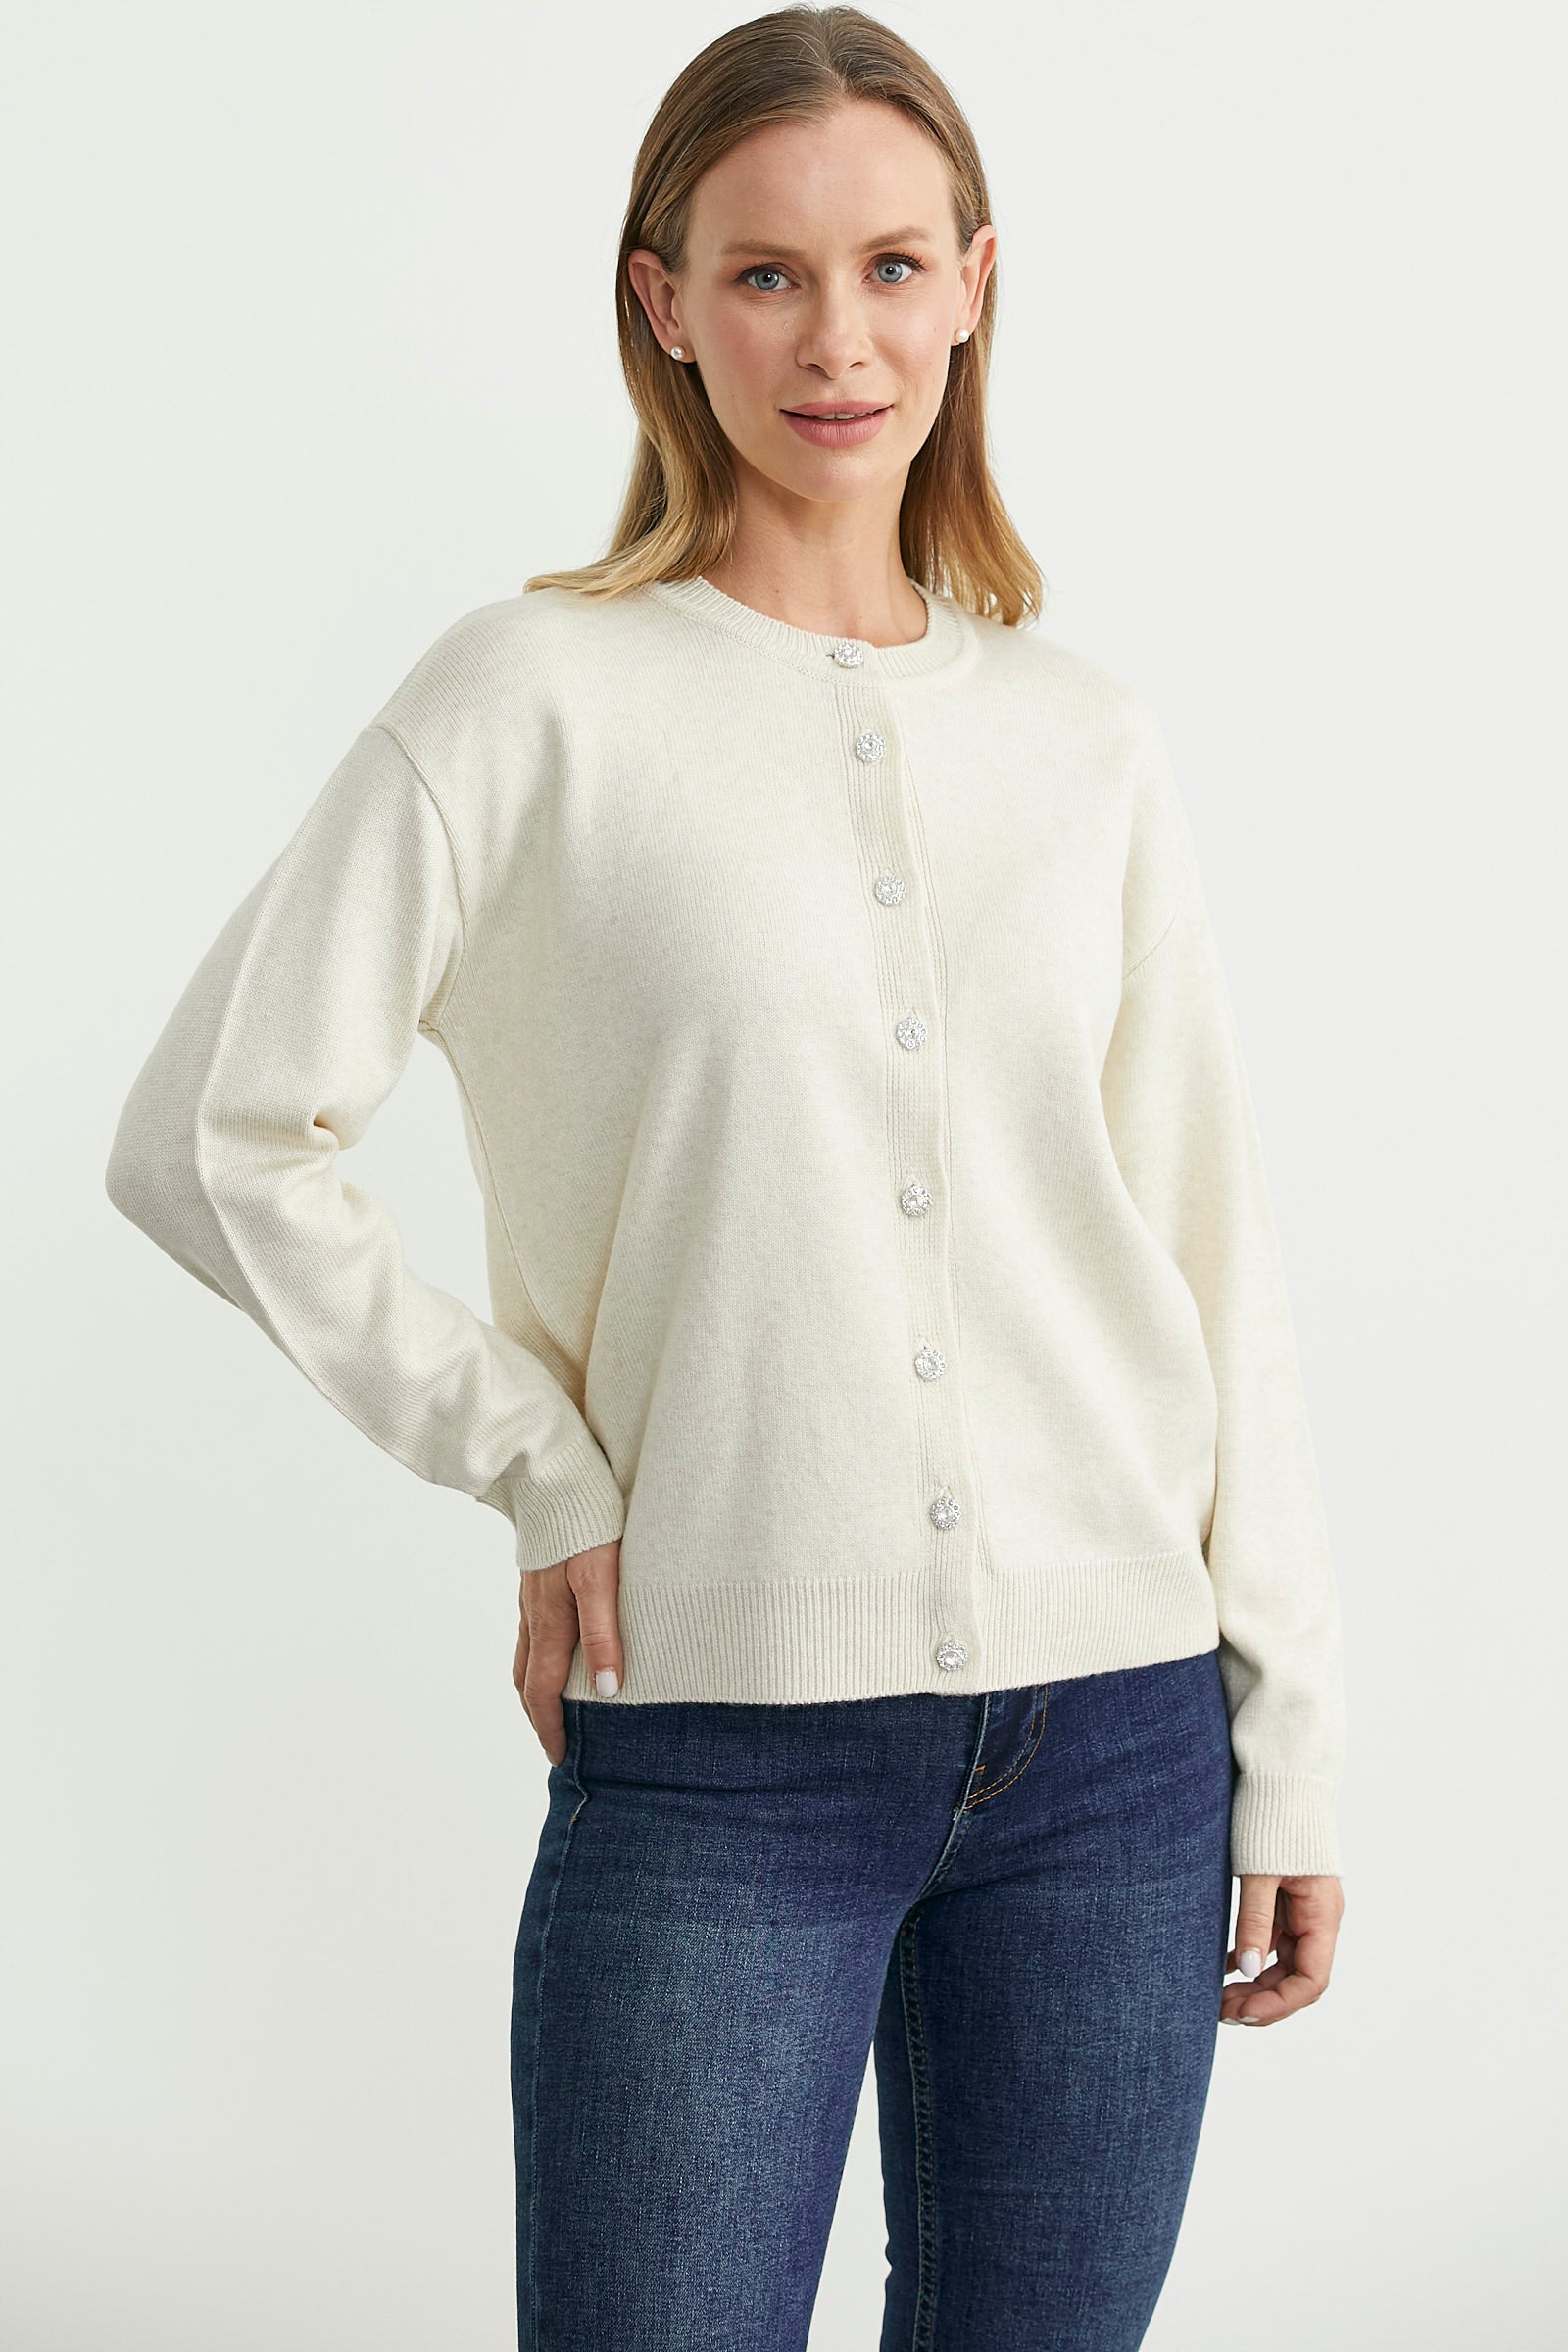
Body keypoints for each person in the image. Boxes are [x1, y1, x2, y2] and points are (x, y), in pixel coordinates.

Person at [104, 8, 1348, 2347]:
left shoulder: (1083, 744)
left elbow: (1213, 1257)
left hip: (1118, 1750)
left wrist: (1285, 1751)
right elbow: (212, 1133)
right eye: (764, 274)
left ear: (975, 283)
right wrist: (535, 1458)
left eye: (888, 266)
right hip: (716, 1756)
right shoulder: (527, 699)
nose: (835, 339)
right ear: (660, 301)